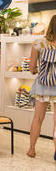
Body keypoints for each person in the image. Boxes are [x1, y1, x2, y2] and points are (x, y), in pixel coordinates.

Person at [28, 15, 56, 160]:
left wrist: (38, 71)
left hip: (43, 85)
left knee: (38, 118)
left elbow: (32, 68)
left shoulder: (39, 43)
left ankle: (32, 149)